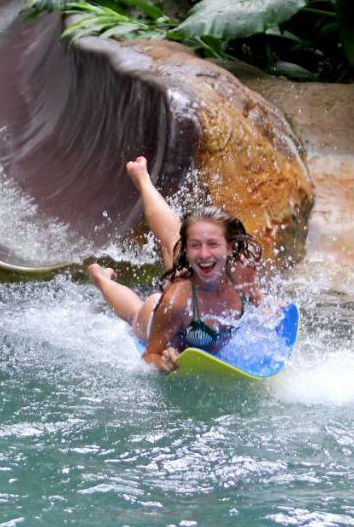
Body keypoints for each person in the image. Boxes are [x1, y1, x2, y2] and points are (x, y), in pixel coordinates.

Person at [87, 156, 262, 373]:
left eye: (214, 243)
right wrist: (163, 361)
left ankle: (142, 177)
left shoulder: (241, 269)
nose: (205, 253)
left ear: (229, 247)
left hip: (191, 280)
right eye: (195, 245)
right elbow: (149, 355)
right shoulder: (177, 301)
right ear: (188, 249)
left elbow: (257, 299)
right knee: (135, 312)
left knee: (173, 242)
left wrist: (267, 308)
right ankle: (101, 278)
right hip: (156, 316)